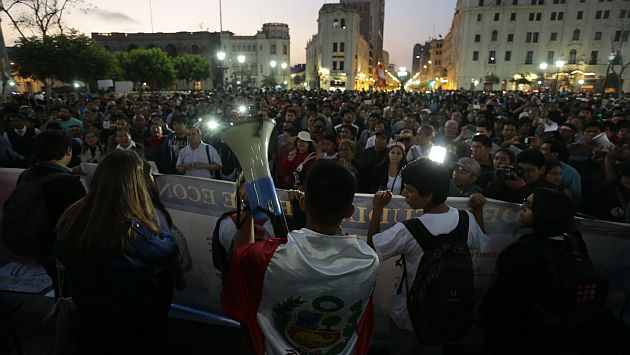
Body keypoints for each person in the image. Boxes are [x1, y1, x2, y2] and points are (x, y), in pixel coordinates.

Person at [222, 160, 379, 355]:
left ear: (303, 204)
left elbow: (240, 258)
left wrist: (248, 209)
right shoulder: (368, 261)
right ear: (350, 212)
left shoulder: (269, 257)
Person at [55, 150, 179, 354]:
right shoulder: (129, 228)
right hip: (128, 318)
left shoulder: (74, 213)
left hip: (87, 311)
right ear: (135, 182)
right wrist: (158, 225)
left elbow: (59, 250)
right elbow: (168, 250)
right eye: (147, 175)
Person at [367, 158, 488, 355]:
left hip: (408, 316)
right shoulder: (466, 220)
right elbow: (481, 242)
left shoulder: (409, 230)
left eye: (410, 190)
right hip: (445, 314)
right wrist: (478, 211)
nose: (405, 195)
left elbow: (373, 248)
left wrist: (378, 207)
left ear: (429, 195)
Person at [480, 188, 607, 355]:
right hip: (564, 331)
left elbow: (502, 301)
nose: (522, 207)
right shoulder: (574, 241)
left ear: (545, 212)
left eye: (529, 205)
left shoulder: (521, 253)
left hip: (524, 335)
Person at [3, 131, 86, 298]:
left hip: (34, 243)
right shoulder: (67, 182)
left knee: (59, 285)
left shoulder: (27, 174)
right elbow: (79, 223)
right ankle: (64, 317)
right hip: (57, 250)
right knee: (70, 290)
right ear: (68, 151)